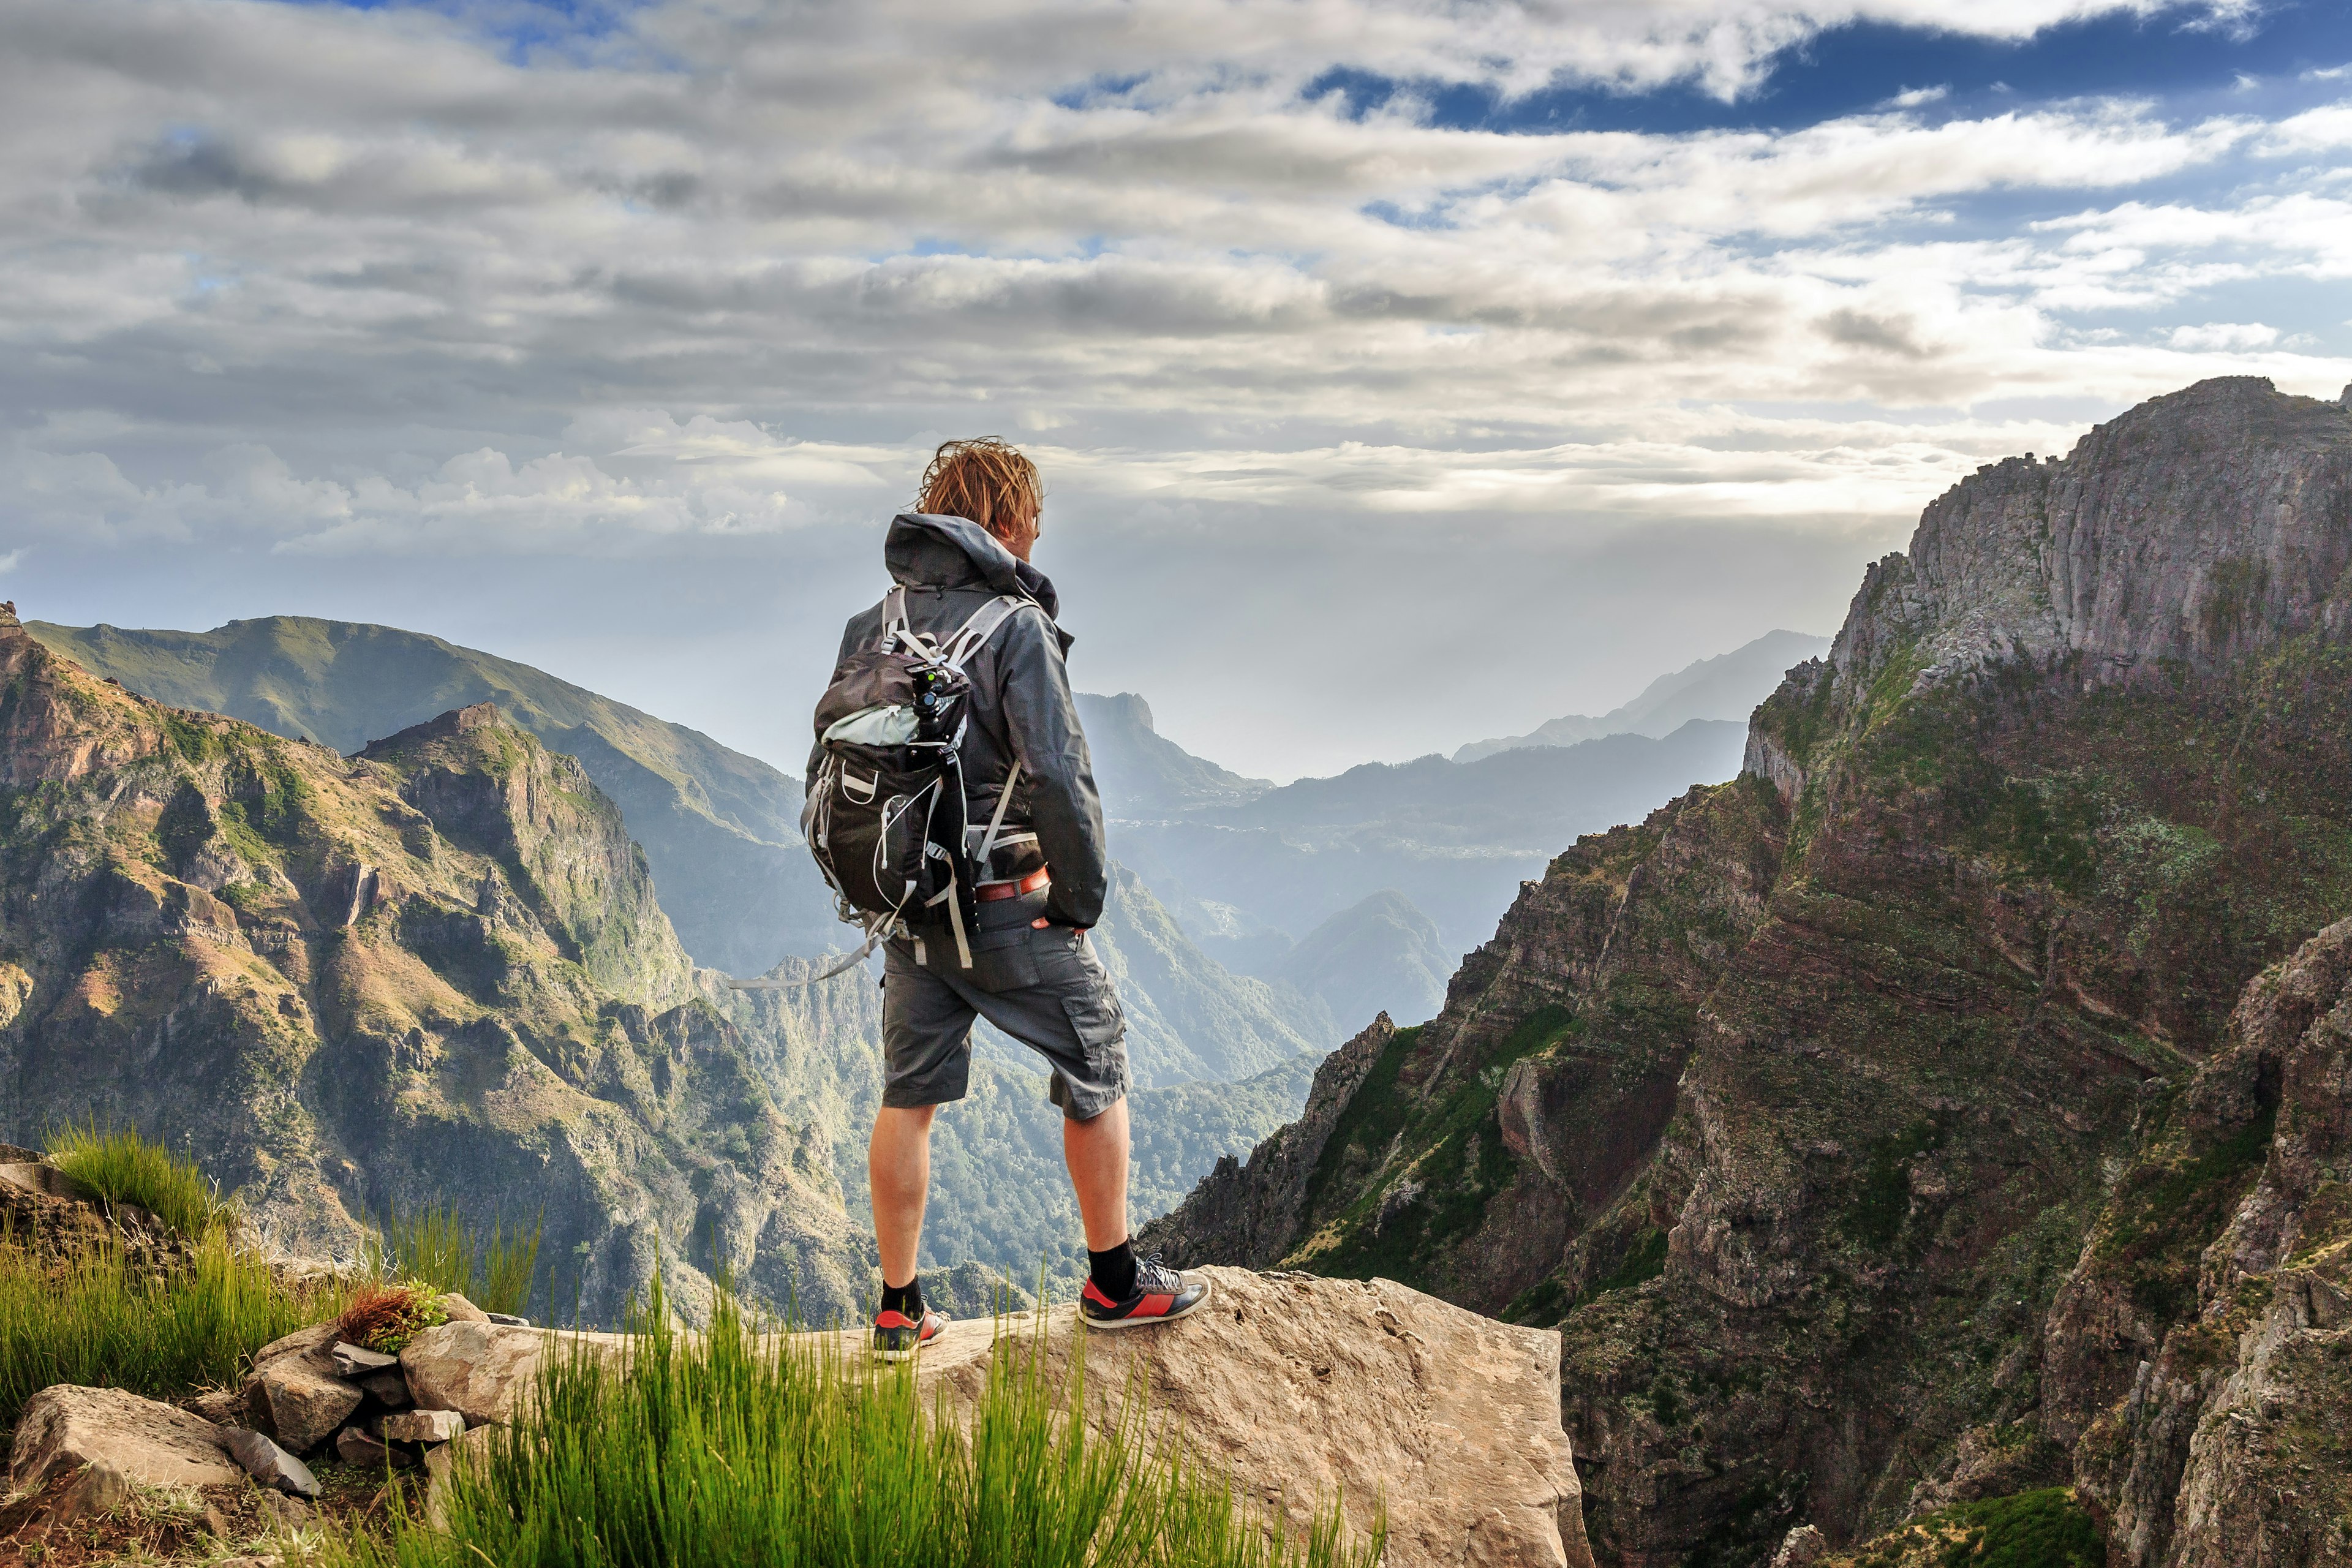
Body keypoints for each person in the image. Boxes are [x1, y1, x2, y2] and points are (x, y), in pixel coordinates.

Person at [817, 437, 1212, 1362]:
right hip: (1005, 904)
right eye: (1031, 523)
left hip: (911, 908)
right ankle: (1115, 1285)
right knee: (1097, 1056)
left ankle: (898, 1310)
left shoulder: (870, 625)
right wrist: (1080, 900)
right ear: (1004, 520)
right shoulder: (1015, 627)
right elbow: (1062, 780)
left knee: (907, 1097)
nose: (1035, 541)